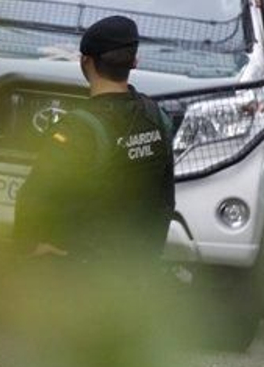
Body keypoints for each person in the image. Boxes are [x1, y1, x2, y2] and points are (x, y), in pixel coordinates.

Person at [14, 15, 175, 263]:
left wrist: (30, 248)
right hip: (136, 270)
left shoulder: (76, 129)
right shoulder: (158, 117)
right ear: (134, 62)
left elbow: (36, 197)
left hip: (81, 272)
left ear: (86, 62)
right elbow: (165, 200)